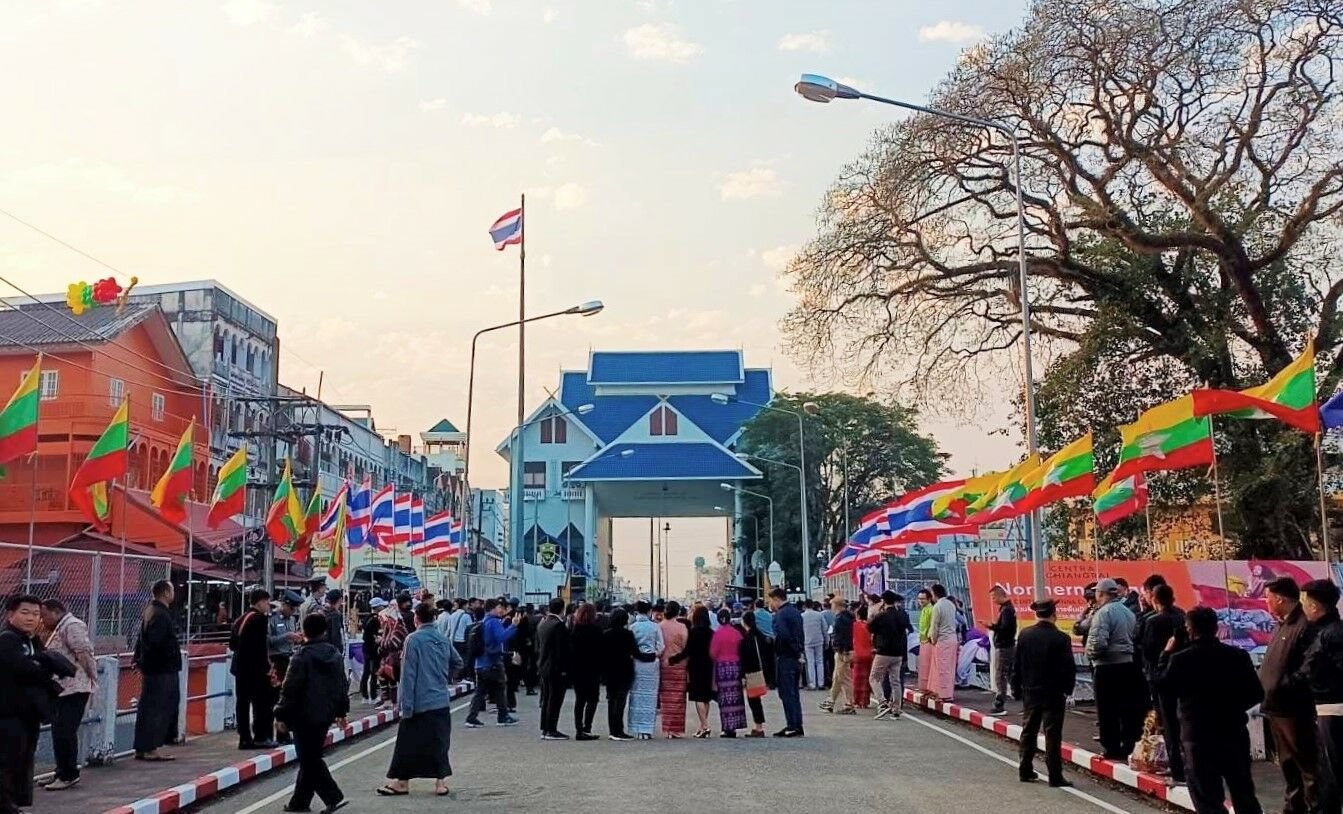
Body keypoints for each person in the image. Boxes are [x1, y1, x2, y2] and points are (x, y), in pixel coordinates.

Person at [1157, 606, 1264, 814]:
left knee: (1206, 795)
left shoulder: (1181, 659)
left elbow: (1163, 686)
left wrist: (1166, 653)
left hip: (1197, 735)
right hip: (1233, 731)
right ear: (1216, 628)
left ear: (1190, 629)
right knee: (1243, 790)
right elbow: (1255, 693)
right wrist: (1232, 708)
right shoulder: (1237, 656)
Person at [378, 603, 462, 798]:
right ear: (433, 619)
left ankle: (401, 783)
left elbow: (408, 675)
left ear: (416, 619)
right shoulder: (442, 639)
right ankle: (440, 783)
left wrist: (404, 706)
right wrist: (444, 676)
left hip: (419, 702)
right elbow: (458, 662)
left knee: (407, 744)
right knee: (439, 742)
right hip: (441, 700)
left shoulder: (413, 640)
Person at [1259, 577, 1325, 814]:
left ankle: (1315, 807)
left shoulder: (1303, 625)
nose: (1265, 602)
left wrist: (1286, 685)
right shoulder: (1281, 624)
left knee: (1306, 763)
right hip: (1276, 707)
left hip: (1294, 708)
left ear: (1280, 598)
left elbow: (1310, 666)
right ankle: (1293, 807)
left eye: (1267, 597)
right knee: (1288, 765)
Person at [0, 594, 70, 813]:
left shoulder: (31, 640)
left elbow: (44, 663)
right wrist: (44, 664)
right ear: (10, 614)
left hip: (28, 712)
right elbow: (23, 668)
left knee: (22, 759)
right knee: (7, 761)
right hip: (8, 712)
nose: (31, 618)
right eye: (25, 613)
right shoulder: (7, 639)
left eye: (36, 614)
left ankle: (13, 805)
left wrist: (42, 663)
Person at [275, 612, 349, 814]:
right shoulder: (334, 654)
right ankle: (299, 802)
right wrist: (342, 711)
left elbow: (289, 689)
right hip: (325, 714)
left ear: (304, 631)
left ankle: (333, 796)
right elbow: (342, 685)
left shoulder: (301, 657)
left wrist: (280, 715)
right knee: (311, 756)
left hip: (303, 715)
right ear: (324, 630)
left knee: (309, 759)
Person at [1012, 600, 1076, 788]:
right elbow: (1068, 668)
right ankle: (1055, 776)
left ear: (1036, 614)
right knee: (1052, 734)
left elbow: (1017, 665)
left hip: (1031, 691)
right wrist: (1068, 689)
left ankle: (1025, 769)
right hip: (1054, 693)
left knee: (1029, 731)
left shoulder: (1025, 635)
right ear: (1053, 614)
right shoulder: (1061, 638)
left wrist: (1016, 687)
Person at [40, 599, 97, 791]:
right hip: (64, 688)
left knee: (65, 731)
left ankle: (69, 774)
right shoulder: (62, 627)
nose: (42, 620)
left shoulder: (72, 626)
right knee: (59, 731)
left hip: (74, 687)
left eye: (44, 615)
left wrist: (92, 678)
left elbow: (84, 653)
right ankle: (61, 771)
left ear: (56, 612)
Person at [1297, 578, 1343, 805]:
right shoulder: (1323, 631)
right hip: (1326, 708)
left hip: (1334, 710)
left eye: (1303, 602)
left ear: (1314, 606)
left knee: (1333, 771)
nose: (1302, 608)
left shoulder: (1332, 634)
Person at [1086, 577, 1142, 760]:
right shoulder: (1128, 612)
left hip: (1106, 666)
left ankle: (1111, 747)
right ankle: (1128, 744)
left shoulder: (1103, 613)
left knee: (1107, 709)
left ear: (1101, 593)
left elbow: (1098, 642)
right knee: (1126, 707)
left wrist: (1091, 654)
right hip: (1127, 664)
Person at [1139, 583, 1187, 785]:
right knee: (1183, 721)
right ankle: (1187, 763)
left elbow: (1147, 649)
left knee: (1168, 724)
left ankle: (1176, 769)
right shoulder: (1181, 615)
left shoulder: (1153, 621)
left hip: (1160, 676)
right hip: (1181, 676)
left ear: (1154, 599)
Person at [134, 579, 182, 761]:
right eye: (171, 590)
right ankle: (151, 748)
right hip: (161, 670)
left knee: (148, 708)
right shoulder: (160, 615)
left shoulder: (150, 611)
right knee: (158, 708)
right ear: (166, 593)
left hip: (154, 669)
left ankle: (143, 746)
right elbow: (156, 643)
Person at [231, 588, 278, 750]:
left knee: (242, 703)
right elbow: (260, 648)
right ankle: (261, 736)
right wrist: (267, 668)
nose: (268, 606)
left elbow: (232, 644)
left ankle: (244, 737)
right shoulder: (259, 619)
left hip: (240, 668)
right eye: (266, 602)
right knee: (261, 703)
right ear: (259, 602)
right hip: (255, 670)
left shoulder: (241, 619)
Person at [463, 599, 521, 728]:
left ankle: (471, 717)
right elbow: (502, 637)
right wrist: (513, 626)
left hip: (480, 663)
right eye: (499, 607)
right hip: (493, 663)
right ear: (493, 608)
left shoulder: (483, 622)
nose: (502, 610)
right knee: (500, 689)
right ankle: (503, 716)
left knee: (480, 692)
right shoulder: (494, 622)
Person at [869, 589, 912, 720]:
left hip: (883, 652)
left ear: (883, 601)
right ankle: (897, 708)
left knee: (874, 678)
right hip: (898, 653)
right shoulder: (902, 615)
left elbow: (870, 628)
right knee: (896, 681)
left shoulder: (881, 616)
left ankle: (882, 702)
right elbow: (908, 629)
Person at [601, 608, 642, 741]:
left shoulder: (605, 634)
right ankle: (619, 730)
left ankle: (612, 729)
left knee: (611, 700)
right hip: (624, 670)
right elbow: (636, 652)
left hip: (609, 670)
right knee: (620, 700)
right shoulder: (628, 634)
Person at [769, 588, 805, 737]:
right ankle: (797, 724)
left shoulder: (780, 615)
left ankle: (791, 725)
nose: (770, 604)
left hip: (785, 656)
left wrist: (776, 645)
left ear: (777, 599)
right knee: (794, 692)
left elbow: (783, 635)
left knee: (786, 692)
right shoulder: (795, 612)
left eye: (771, 600)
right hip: (796, 656)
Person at [269, 591, 304, 744]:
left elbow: (290, 640)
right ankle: (278, 734)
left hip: (289, 659)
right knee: (276, 698)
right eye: (292, 608)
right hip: (276, 661)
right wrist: (287, 636)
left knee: (289, 697)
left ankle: (286, 731)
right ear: (284, 605)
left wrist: (297, 638)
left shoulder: (291, 620)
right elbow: (268, 640)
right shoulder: (272, 619)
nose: (293, 612)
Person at [628, 601, 665, 739]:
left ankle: (637, 728)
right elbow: (661, 647)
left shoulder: (632, 627)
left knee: (636, 696)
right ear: (649, 611)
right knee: (650, 697)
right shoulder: (655, 627)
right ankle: (647, 729)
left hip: (637, 664)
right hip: (652, 665)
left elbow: (630, 648)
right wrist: (654, 654)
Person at [537, 597, 572, 740]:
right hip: (556, 668)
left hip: (544, 666)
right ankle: (552, 729)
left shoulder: (543, 623)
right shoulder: (558, 625)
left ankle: (545, 727)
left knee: (546, 698)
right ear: (562, 609)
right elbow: (561, 651)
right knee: (555, 699)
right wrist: (565, 669)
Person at [678, 606, 716, 738]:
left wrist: (673, 659)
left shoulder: (693, 632)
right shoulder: (711, 632)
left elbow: (687, 651)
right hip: (709, 665)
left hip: (695, 666)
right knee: (706, 697)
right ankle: (702, 726)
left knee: (698, 696)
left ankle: (705, 725)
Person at [569, 603, 603, 741]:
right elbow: (601, 651)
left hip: (578, 669)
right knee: (593, 699)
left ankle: (578, 729)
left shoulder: (575, 630)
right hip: (592, 669)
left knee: (580, 700)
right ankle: (587, 727)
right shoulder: (596, 630)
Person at [710, 608, 746, 737]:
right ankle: (736, 724)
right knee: (735, 697)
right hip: (736, 666)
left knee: (725, 699)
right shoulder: (737, 633)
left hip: (722, 667)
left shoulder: (717, 634)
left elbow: (712, 653)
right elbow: (742, 650)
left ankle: (727, 727)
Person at [657, 600, 690, 738]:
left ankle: (667, 729)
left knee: (666, 699)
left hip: (663, 665)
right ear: (678, 612)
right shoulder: (682, 627)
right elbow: (685, 646)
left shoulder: (659, 626)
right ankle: (676, 729)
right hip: (679, 665)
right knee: (678, 699)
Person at [739, 609, 773, 738]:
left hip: (752, 673)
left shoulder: (747, 638)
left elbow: (745, 657)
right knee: (756, 700)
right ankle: (758, 726)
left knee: (754, 701)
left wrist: (742, 675)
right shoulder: (760, 635)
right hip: (761, 671)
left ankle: (759, 727)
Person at [820, 597, 856, 714]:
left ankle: (849, 704)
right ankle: (830, 701)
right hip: (843, 650)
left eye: (832, 605)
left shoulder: (841, 619)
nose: (831, 607)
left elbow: (843, 636)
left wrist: (844, 650)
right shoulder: (847, 618)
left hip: (842, 651)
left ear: (837, 605)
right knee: (837, 677)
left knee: (844, 678)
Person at [986, 585, 1017, 714]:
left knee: (1000, 675)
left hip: (1004, 646)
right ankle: (1017, 694)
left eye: (993, 597)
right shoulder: (1007, 609)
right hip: (1006, 645)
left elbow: (1005, 629)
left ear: (1000, 595)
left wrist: (992, 626)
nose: (993, 600)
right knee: (1009, 673)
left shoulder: (1007, 611)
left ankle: (1000, 703)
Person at [929, 584, 958, 700]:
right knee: (949, 667)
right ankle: (944, 692)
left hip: (942, 639)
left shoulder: (937, 606)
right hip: (952, 638)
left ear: (934, 594)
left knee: (942, 668)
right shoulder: (951, 604)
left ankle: (944, 694)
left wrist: (933, 639)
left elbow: (934, 626)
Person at [361, 598, 386, 703]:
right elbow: (376, 634)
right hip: (373, 649)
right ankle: (373, 695)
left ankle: (365, 696)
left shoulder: (367, 618)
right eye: (381, 606)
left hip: (366, 647)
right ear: (377, 607)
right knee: (375, 671)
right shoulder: (376, 619)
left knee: (366, 672)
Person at [851, 602, 874, 710]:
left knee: (856, 679)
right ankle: (865, 701)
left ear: (858, 615)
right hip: (869, 655)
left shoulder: (854, 626)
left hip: (857, 655)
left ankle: (856, 701)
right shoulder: (870, 627)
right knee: (867, 679)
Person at [802, 600, 827, 690]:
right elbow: (824, 628)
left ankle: (812, 683)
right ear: (812, 605)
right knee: (820, 661)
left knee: (810, 662)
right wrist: (826, 640)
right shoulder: (819, 615)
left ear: (805, 606)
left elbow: (800, 630)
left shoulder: (802, 616)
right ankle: (821, 683)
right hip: (819, 640)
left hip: (807, 641)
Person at [915, 589, 934, 693]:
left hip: (929, 641)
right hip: (923, 641)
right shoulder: (924, 610)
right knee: (923, 665)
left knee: (927, 666)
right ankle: (924, 687)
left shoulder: (931, 610)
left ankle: (928, 688)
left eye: (923, 599)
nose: (920, 601)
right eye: (919, 599)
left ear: (929, 599)